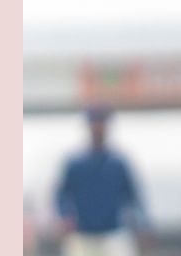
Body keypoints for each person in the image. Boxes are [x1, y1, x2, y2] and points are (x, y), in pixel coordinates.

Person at [53, 105, 153, 256]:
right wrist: (65, 216)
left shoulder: (118, 163)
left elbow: (133, 198)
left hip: (114, 234)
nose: (98, 128)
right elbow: (62, 195)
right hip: (82, 236)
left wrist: (142, 224)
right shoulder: (75, 164)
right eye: (95, 123)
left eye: (102, 123)